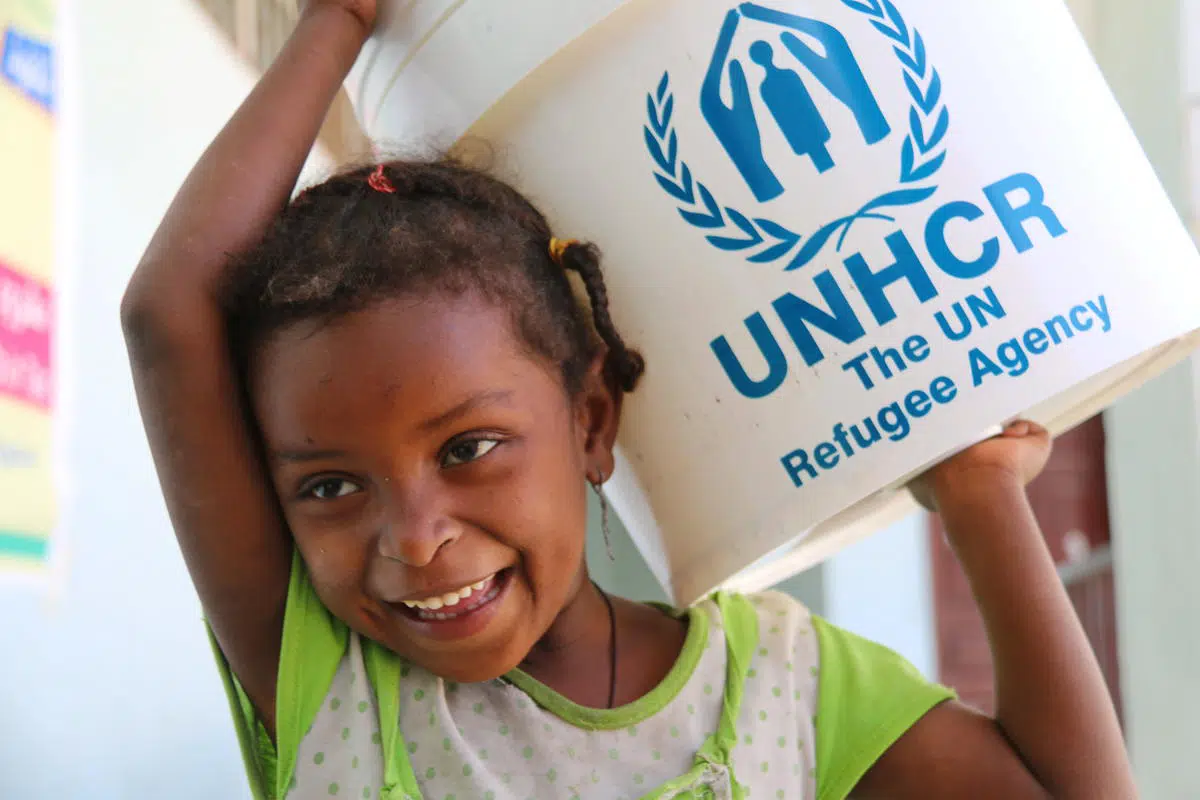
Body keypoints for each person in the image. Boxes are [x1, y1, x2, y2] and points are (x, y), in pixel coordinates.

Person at [120, 2, 1136, 798]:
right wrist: (335, 23)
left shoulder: (777, 686)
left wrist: (980, 495)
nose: (416, 537)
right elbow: (169, 318)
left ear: (592, 421)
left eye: (469, 447)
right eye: (332, 482)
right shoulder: (333, 684)